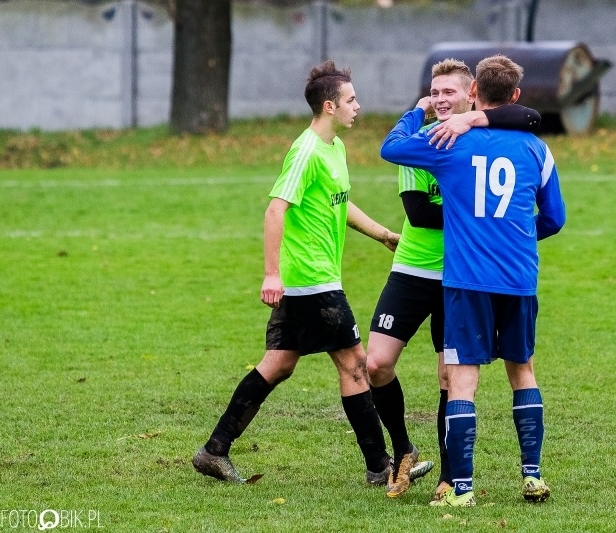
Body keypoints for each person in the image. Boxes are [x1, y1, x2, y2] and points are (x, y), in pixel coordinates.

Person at [192, 60, 430, 487]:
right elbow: (274, 210)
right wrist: (271, 275)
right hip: (310, 280)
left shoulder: (334, 148)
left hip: (311, 278)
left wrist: (381, 234)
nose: (358, 106)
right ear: (328, 105)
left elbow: (339, 202)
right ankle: (382, 467)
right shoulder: (305, 151)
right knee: (356, 365)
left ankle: (214, 450)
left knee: (279, 364)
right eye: (351, 100)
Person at [379, 54, 566, 507]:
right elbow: (554, 219)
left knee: (461, 381)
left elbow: (391, 146)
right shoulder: (537, 149)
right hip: (519, 277)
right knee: (522, 371)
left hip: (468, 280)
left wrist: (418, 110)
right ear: (516, 97)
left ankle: (461, 490)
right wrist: (515, 234)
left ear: (475, 95)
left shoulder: (447, 142)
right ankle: (532, 476)